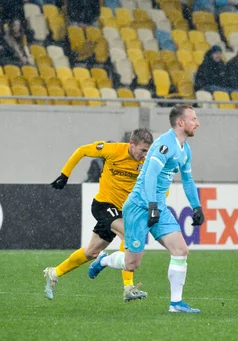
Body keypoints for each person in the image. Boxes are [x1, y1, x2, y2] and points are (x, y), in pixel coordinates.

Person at [88, 105, 205, 313]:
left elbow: (187, 180)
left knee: (181, 250)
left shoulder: (185, 150)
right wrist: (151, 204)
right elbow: (150, 175)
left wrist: (196, 206)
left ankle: (176, 304)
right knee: (132, 264)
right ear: (181, 123)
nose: (197, 123)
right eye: (194, 119)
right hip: (139, 206)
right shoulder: (164, 145)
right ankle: (104, 260)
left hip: (158, 206)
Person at [43, 129, 154, 302]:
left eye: (147, 151)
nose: (144, 155)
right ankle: (128, 287)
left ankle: (54, 272)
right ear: (131, 144)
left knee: (91, 252)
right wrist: (65, 175)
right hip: (103, 205)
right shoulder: (112, 150)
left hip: (122, 210)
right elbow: (82, 150)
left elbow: (157, 183)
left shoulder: (147, 162)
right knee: (129, 234)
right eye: (142, 150)